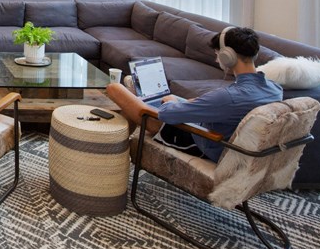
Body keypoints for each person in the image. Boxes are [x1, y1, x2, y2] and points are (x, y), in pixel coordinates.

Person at [105, 26, 283, 161]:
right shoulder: (274, 88)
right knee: (163, 99)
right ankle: (135, 105)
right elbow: (224, 107)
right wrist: (187, 103)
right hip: (225, 136)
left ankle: (109, 147)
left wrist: (170, 102)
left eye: (217, 54)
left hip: (202, 141)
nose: (217, 59)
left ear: (227, 56)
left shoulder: (228, 97)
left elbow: (166, 115)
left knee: (115, 89)